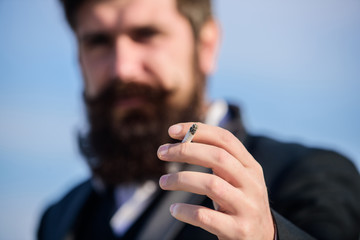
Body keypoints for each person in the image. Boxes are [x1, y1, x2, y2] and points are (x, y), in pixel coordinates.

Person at [37, 0, 360, 239]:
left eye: (146, 34)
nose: (123, 68)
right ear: (79, 59)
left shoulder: (310, 176)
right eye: (98, 42)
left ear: (206, 46)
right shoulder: (60, 217)